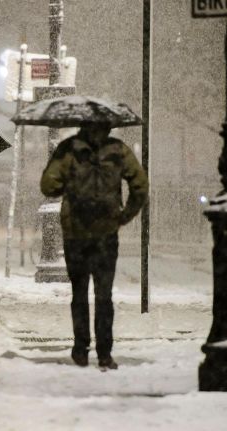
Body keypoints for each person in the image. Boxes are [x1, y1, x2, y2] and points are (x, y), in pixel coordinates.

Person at [40, 123, 148, 370]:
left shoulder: (68, 149)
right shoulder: (119, 150)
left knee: (79, 293)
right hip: (106, 233)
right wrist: (124, 215)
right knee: (104, 295)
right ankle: (104, 353)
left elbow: (48, 186)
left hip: (75, 233)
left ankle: (80, 349)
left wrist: (66, 185)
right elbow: (140, 186)